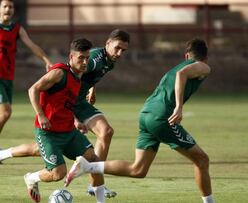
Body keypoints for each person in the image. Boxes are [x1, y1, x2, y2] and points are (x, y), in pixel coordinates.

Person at [0, 29, 130, 198]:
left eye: (123, 50)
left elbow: (84, 76)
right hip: (56, 119)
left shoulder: (97, 65)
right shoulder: (76, 67)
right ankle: (29, 176)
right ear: (108, 44)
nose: (120, 53)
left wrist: (90, 90)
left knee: (90, 157)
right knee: (58, 170)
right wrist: (45, 115)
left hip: (69, 116)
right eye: (117, 48)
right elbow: (35, 89)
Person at [64, 38, 215, 203]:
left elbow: (179, 74)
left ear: (186, 56)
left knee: (138, 170)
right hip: (162, 118)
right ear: (204, 58)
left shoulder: (176, 67)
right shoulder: (203, 66)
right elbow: (182, 74)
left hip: (146, 114)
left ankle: (87, 166)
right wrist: (178, 107)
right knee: (202, 159)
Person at [0, 0, 52, 161]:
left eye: (11, 7)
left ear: (13, 10)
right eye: (5, 6)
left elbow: (32, 45)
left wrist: (46, 60)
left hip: (7, 77)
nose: (8, 9)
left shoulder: (17, 29)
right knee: (5, 112)